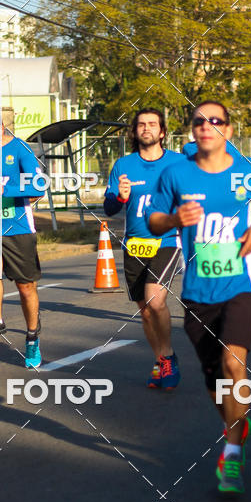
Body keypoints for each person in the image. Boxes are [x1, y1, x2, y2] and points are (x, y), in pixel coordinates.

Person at [147, 101, 251, 495]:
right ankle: (234, 423)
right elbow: (153, 220)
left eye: (216, 120)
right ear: (191, 130)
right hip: (197, 288)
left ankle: (233, 453)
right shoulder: (176, 173)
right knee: (214, 378)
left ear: (228, 128)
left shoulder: (246, 169)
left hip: (242, 281)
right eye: (199, 121)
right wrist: (175, 220)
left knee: (233, 363)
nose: (207, 126)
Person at [104, 108, 185, 389]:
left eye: (152, 124)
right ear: (135, 131)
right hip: (135, 244)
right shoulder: (123, 165)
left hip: (168, 240)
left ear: (162, 132)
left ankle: (169, 357)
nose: (146, 128)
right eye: (141, 125)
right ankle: (160, 359)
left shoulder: (179, 163)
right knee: (144, 308)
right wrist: (119, 196)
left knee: (154, 299)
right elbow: (110, 208)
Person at [0, 122, 44, 372]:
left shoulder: (20, 148)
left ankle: (32, 337)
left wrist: (7, 189)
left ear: (1, 125)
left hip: (18, 228)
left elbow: (38, 186)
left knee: (26, 288)